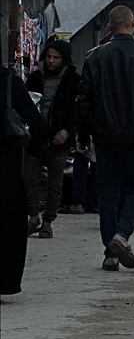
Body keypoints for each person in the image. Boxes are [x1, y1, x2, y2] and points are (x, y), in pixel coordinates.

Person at [76, 5, 134, 271]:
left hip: (104, 136)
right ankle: (121, 236)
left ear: (109, 26)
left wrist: (82, 134)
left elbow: (84, 101)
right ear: (133, 23)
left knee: (107, 193)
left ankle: (110, 255)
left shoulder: (95, 56)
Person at [24, 39, 79, 239]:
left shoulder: (73, 80)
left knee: (55, 183)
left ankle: (47, 221)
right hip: (36, 137)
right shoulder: (35, 78)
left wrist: (67, 131)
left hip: (59, 137)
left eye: (56, 57)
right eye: (49, 56)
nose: (51, 61)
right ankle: (33, 216)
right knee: (27, 177)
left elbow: (77, 109)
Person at [1, 65, 48, 295]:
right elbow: (37, 125)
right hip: (6, 169)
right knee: (8, 223)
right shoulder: (9, 82)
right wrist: (33, 151)